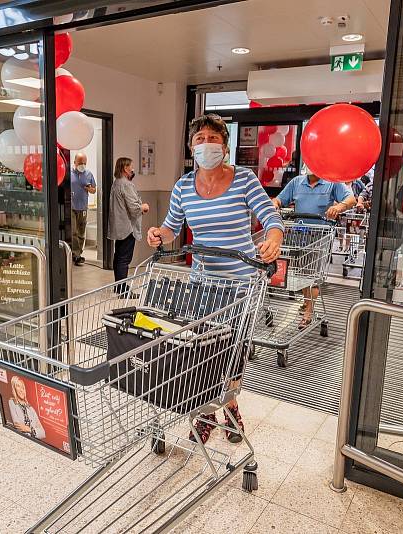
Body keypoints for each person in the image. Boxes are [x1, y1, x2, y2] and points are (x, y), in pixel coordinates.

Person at [146, 114, 284, 444]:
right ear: (191, 146)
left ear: (225, 145)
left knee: (231, 352)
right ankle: (209, 412)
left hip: (240, 283)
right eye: (199, 139)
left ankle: (230, 406)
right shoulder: (182, 186)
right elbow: (172, 227)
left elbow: (269, 215)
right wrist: (158, 235)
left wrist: (275, 236)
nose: (206, 144)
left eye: (212, 138)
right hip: (203, 283)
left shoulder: (244, 179)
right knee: (201, 352)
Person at [272, 171, 356, 328]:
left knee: (313, 276)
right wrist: (275, 204)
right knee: (302, 274)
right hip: (299, 236)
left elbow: (351, 199)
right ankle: (307, 302)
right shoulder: (297, 182)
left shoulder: (332, 181)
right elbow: (279, 199)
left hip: (320, 236)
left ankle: (308, 313)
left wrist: (339, 206)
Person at [108, 157, 149, 289]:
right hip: (127, 228)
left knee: (118, 257)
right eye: (131, 166)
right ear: (125, 168)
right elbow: (134, 208)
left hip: (119, 227)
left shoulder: (116, 183)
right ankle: (122, 289)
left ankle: (118, 286)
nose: (133, 169)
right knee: (124, 259)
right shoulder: (126, 184)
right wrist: (143, 207)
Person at [70, 152, 96, 266]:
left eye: (84, 163)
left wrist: (90, 189)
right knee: (73, 232)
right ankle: (75, 255)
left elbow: (94, 190)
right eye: (80, 163)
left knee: (81, 232)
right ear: (75, 162)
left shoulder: (89, 174)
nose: (82, 165)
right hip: (71, 207)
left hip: (83, 207)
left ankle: (78, 254)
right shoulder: (69, 174)